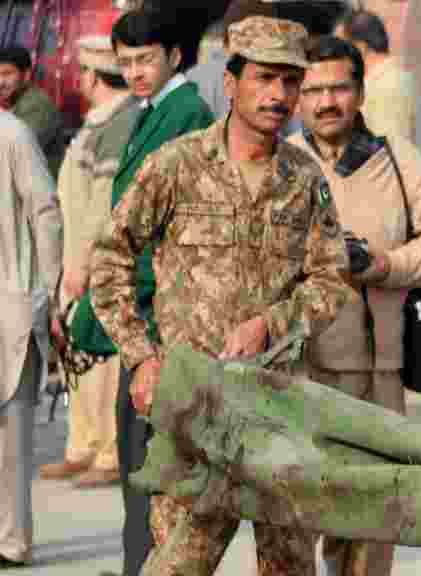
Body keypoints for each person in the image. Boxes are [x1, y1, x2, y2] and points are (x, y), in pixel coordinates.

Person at [90, 13, 357, 576]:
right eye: (265, 78)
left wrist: (273, 323)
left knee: (288, 565)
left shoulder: (304, 179)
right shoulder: (178, 165)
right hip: (191, 405)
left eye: (290, 81)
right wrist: (141, 358)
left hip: (277, 406)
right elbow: (110, 257)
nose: (279, 95)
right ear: (231, 83)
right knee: (178, 562)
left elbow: (331, 279)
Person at [289, 35, 421, 576]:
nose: (326, 102)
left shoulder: (396, 159)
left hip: (375, 379)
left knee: (369, 527)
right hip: (292, 374)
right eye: (313, 89)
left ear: (360, 92)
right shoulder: (280, 163)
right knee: (290, 526)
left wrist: (387, 266)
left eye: (338, 87)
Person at [66, 8, 215, 576]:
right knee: (136, 455)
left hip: (160, 306)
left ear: (174, 56)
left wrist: (128, 291)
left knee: (153, 460)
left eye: (145, 59)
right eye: (125, 62)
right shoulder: (150, 109)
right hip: (138, 297)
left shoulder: (187, 111)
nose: (134, 72)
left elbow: (170, 219)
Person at [41, 35, 139, 489]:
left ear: (95, 76)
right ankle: (82, 445)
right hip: (74, 256)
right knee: (78, 355)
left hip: (93, 259)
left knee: (101, 361)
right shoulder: (99, 121)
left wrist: (83, 263)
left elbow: (102, 205)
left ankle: (108, 451)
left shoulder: (118, 124)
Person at [0, 111, 62, 569]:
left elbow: (45, 211)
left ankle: (11, 541)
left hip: (10, 299)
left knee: (11, 434)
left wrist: (54, 293)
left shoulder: (14, 135)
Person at [333, 10, 418, 143]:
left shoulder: (388, 85)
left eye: (339, 47)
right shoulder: (389, 80)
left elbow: (391, 151)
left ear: (360, 48)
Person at [0, 45, 65, 178]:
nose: (0, 82)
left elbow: (13, 152)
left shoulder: (38, 106)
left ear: (26, 75)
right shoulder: (12, 103)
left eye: (7, 74)